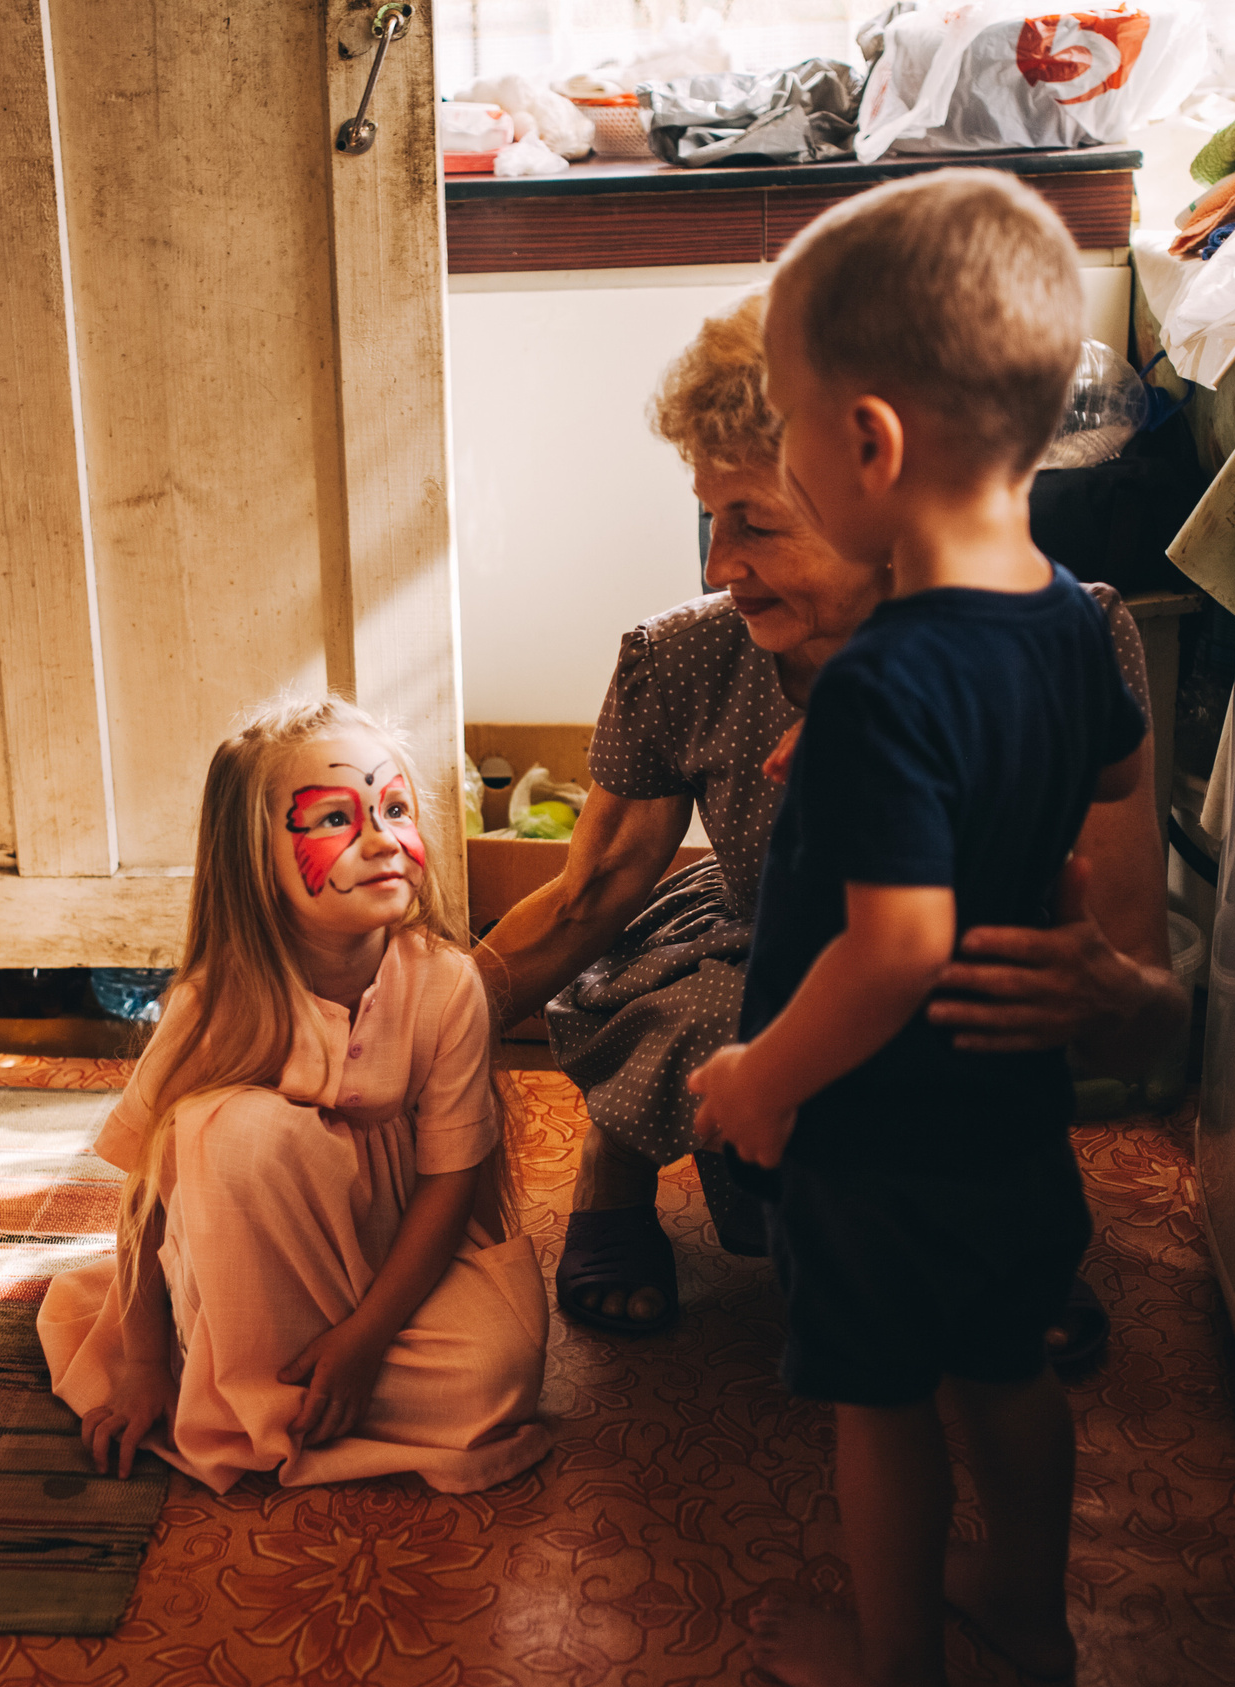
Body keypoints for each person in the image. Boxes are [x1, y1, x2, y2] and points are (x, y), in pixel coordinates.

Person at [474, 295, 1184, 1341]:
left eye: (754, 523)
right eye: (709, 520)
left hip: (964, 979)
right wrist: (417, 1024)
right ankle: (613, 1162)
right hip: (757, 942)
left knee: (971, 1065)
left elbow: (1136, 964)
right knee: (748, 1063)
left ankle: (991, 1220)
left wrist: (1100, 996)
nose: (717, 566)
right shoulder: (682, 658)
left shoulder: (1071, 637)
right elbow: (588, 898)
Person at [686, 171, 1142, 1687]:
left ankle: (899, 1669)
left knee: (878, 1398)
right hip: (1011, 1105)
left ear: (866, 444)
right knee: (1004, 1362)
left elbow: (890, 947)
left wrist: (758, 1076)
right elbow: (1086, 786)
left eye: (795, 440)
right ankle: (1027, 1613)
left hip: (875, 1124)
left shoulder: (882, 683)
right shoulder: (1076, 619)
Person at [37, 697, 551, 1494]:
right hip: (256, 1282)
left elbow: (449, 1183)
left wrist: (366, 1338)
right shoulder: (217, 1002)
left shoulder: (449, 986)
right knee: (237, 1132)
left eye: (394, 808)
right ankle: (228, 1362)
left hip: (395, 1273)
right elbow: (143, 1199)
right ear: (255, 863)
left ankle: (268, 1385)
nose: (381, 839)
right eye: (335, 819)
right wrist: (141, 1367)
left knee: (496, 1376)